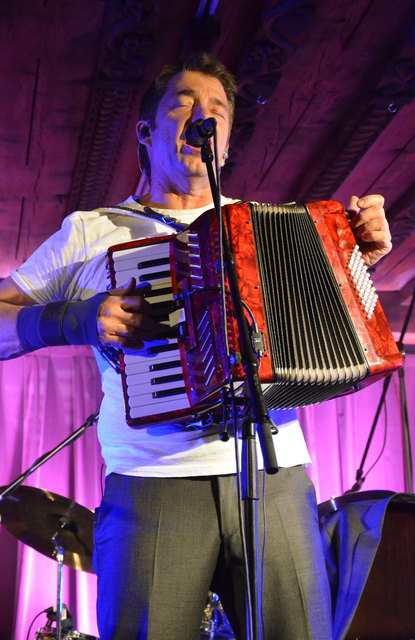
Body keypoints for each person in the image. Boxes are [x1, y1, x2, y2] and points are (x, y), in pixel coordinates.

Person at [0, 53, 392, 640]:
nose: (202, 116)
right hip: (152, 482)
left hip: (276, 477)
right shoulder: (92, 231)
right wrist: (72, 319)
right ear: (145, 132)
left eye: (218, 111)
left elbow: (328, 320)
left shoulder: (268, 228)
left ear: (225, 146)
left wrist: (357, 259)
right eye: (183, 104)